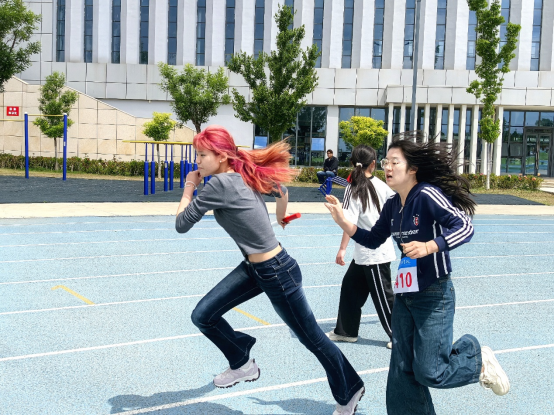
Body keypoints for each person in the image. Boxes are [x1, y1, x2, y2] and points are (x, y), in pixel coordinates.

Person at [175, 126, 365, 416]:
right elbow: (282, 191)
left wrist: (189, 186)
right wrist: (281, 217)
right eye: (197, 156)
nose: (197, 161)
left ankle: (350, 389)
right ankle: (242, 362)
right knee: (203, 315)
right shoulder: (243, 174)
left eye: (202, 155)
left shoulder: (219, 184)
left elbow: (181, 224)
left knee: (312, 338)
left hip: (275, 273)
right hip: (256, 269)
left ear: (222, 156)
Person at [324, 132, 510, 415]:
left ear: (412, 169)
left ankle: (477, 359)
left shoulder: (426, 195)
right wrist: (342, 221)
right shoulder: (392, 205)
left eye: (394, 162)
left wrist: (429, 246)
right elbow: (372, 239)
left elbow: (464, 226)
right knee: (401, 370)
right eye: (385, 162)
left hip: (434, 293)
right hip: (405, 293)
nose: (387, 167)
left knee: (431, 371)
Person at [326, 145, 397, 350]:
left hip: (373, 253)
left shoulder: (353, 188)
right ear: (373, 164)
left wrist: (342, 249)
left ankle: (399, 337)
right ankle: (346, 331)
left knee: (384, 297)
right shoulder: (383, 186)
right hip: (369, 251)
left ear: (352, 163)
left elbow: (348, 223)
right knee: (350, 287)